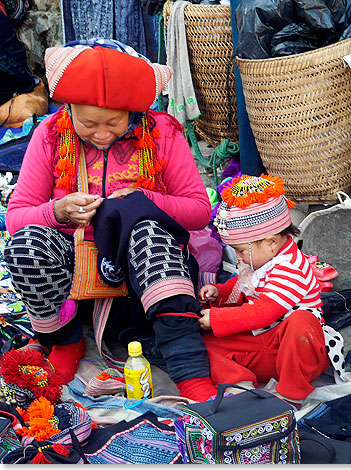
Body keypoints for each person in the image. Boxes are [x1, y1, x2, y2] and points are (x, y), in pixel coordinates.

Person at [4, 39, 218, 402]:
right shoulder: (51, 136)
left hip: (149, 280)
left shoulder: (161, 133)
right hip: (80, 289)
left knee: (148, 229)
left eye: (114, 123)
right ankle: (65, 345)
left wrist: (144, 201)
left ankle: (191, 373)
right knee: (25, 246)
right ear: (68, 109)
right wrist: (57, 212)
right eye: (87, 124)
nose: (102, 135)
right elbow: (16, 218)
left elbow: (199, 211)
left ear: (133, 112)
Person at [199, 174, 345, 403]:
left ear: (271, 242)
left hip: (297, 351)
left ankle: (291, 393)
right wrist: (219, 293)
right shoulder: (258, 261)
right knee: (202, 345)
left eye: (239, 251)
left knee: (300, 322)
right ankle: (240, 382)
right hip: (263, 344)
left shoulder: (292, 267)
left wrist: (218, 319)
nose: (239, 258)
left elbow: (263, 312)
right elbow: (240, 289)